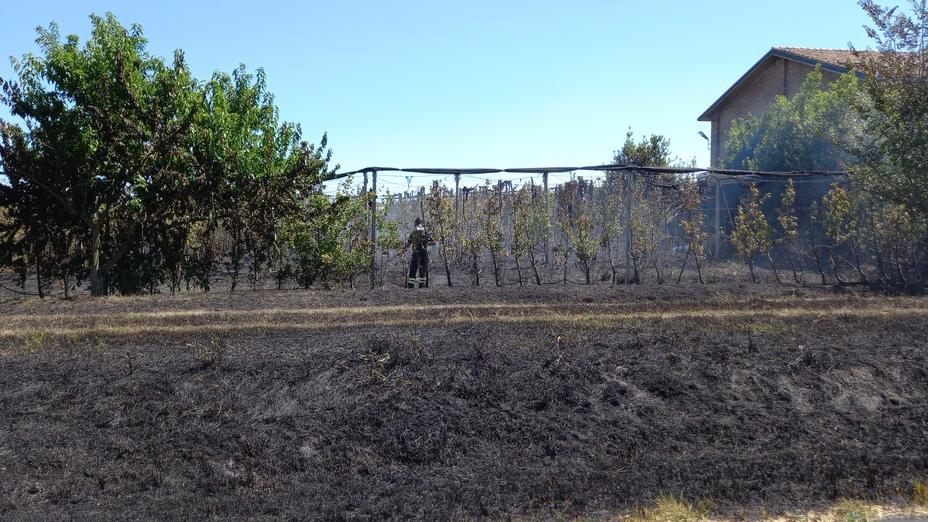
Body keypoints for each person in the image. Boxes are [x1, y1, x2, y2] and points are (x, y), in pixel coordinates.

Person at [402, 217, 434, 288]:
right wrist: (425, 245)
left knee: (413, 270)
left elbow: (408, 243)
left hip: (416, 253)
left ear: (415, 224)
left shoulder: (414, 233)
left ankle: (411, 286)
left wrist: (402, 250)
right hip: (424, 253)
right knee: (422, 271)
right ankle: (421, 286)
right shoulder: (426, 233)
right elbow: (433, 242)